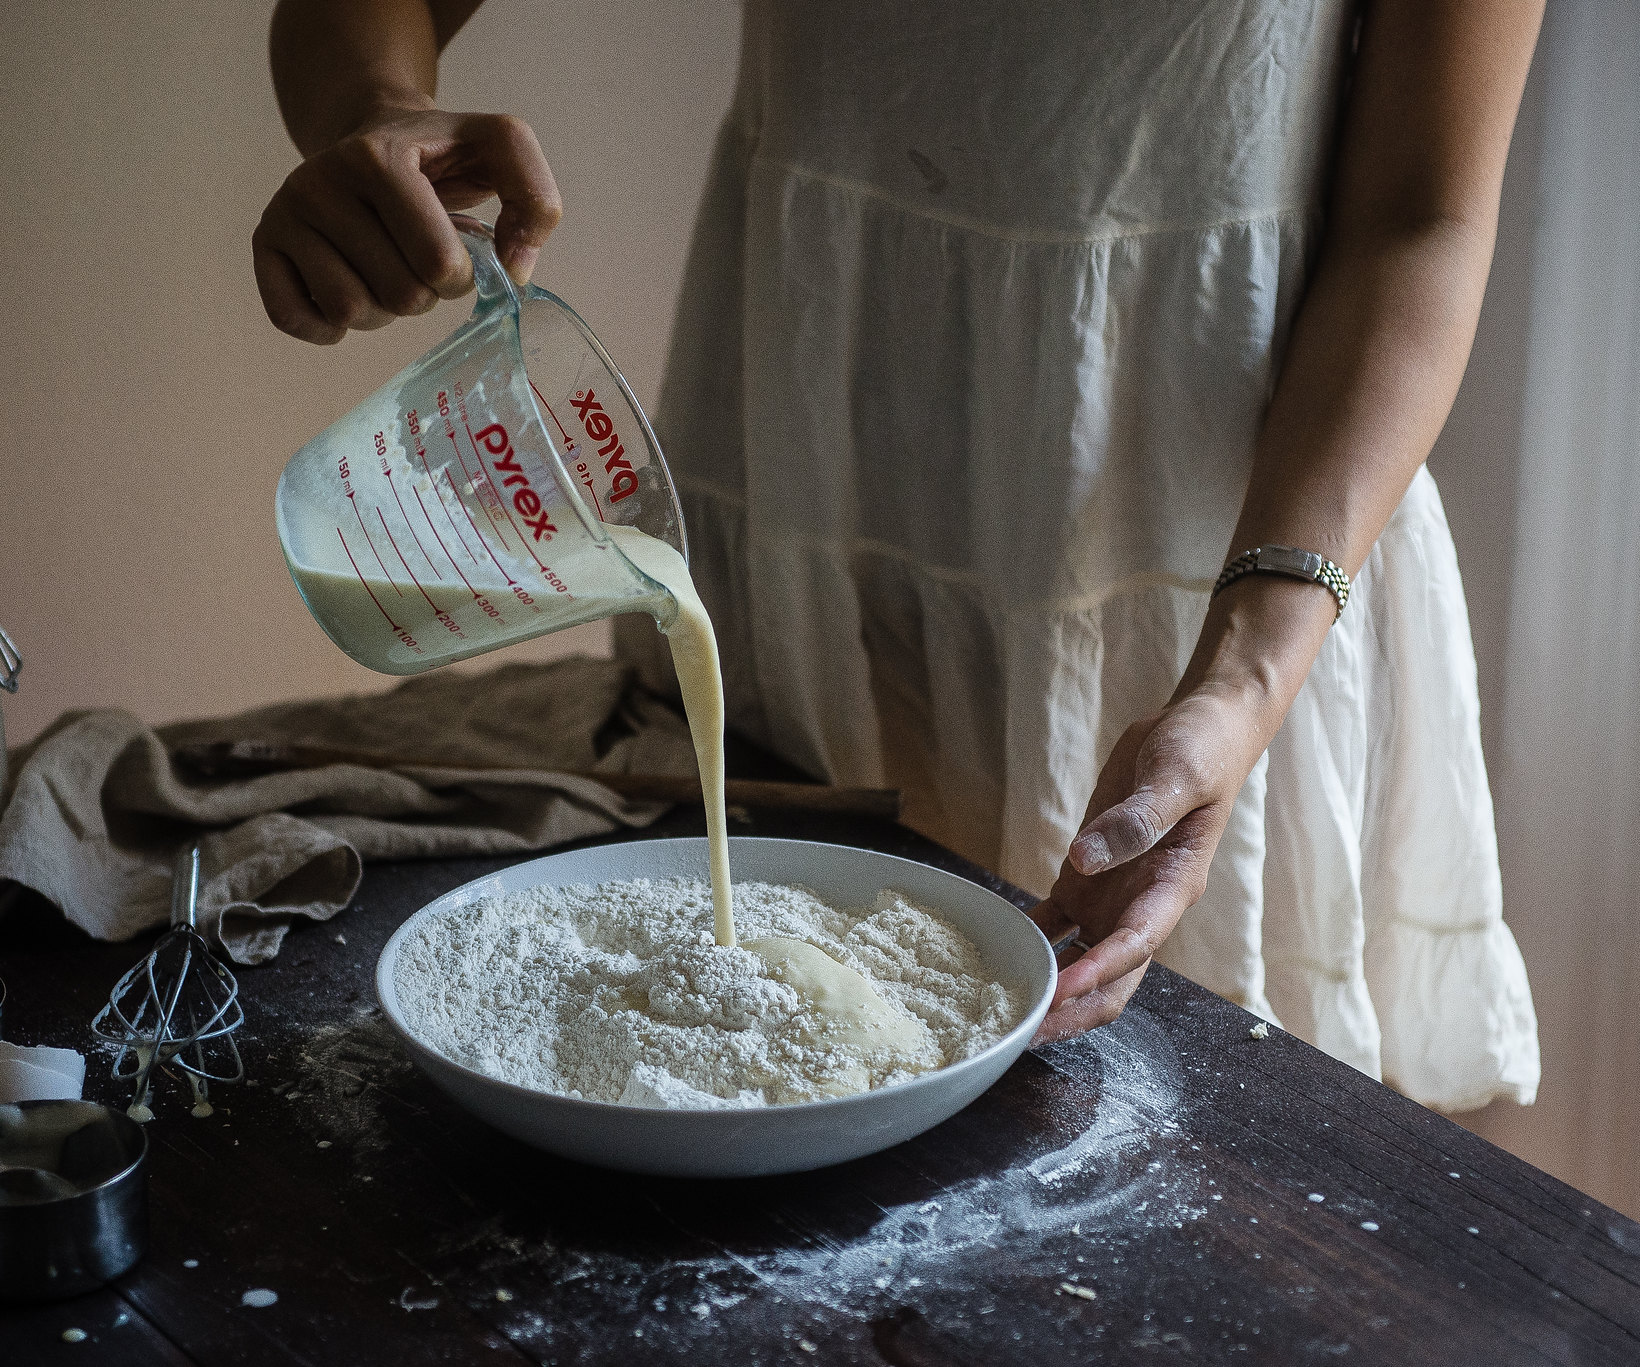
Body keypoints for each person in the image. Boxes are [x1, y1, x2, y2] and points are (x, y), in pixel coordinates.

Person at [252, 0, 1543, 1112]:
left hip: (1216, 550)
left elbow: (1421, 217)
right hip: (801, 447)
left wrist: (1241, 685)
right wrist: (371, 112)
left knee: (1193, 1152)